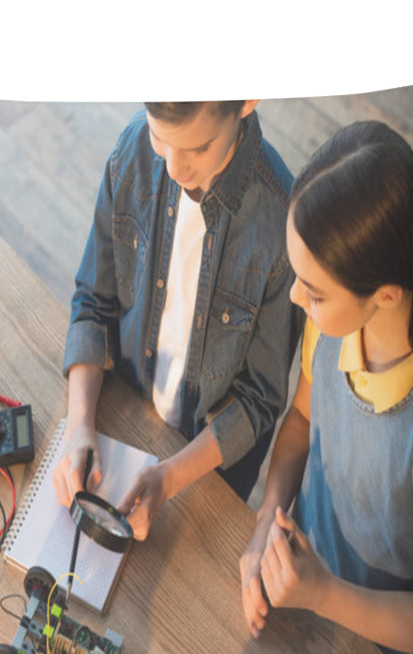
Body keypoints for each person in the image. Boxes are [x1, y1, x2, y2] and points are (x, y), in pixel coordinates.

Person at [239, 120, 413, 654]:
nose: (294, 298)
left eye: (314, 289)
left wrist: (326, 594)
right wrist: (265, 525)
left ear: (384, 295)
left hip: (383, 650)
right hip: (303, 583)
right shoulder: (330, 326)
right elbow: (302, 424)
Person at [53, 101, 303, 539]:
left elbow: (259, 401)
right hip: (121, 415)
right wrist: (78, 426)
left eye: (199, 148)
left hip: (207, 474)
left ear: (246, 101)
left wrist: (169, 477)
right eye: (160, 138)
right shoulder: (132, 151)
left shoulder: (282, 224)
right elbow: (94, 299)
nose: (173, 167)